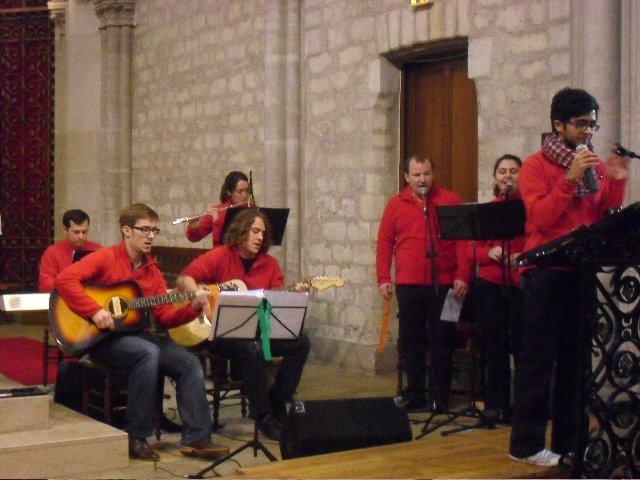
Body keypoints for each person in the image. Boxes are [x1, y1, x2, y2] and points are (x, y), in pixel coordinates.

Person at [54, 203, 230, 462]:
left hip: (137, 335)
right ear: (126, 231)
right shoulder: (105, 257)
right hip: (102, 339)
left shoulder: (152, 272)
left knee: (189, 363)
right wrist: (94, 311)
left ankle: (197, 438)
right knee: (147, 353)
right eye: (144, 230)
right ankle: (136, 435)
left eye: (154, 231)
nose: (150, 236)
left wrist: (193, 307)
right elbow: (64, 280)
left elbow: (166, 317)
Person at [508, 87, 628, 466]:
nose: (588, 132)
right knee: (538, 363)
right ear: (558, 125)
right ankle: (525, 446)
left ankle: (568, 443)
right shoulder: (535, 166)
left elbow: (603, 216)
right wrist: (568, 180)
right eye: (580, 125)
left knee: (576, 364)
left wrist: (618, 179)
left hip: (581, 272)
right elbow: (542, 218)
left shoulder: (592, 165)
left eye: (592, 124)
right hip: (545, 274)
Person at [177, 208, 311, 441]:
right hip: (221, 331)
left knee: (301, 342)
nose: (260, 237)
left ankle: (278, 402)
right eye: (255, 231)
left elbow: (277, 301)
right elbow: (184, 278)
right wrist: (197, 292)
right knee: (252, 349)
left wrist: (295, 295)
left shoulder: (270, 264)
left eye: (263, 233)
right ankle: (264, 416)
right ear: (241, 232)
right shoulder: (221, 256)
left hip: (260, 329)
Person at [376, 155, 471, 411]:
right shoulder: (395, 204)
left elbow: (463, 241)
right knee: (412, 341)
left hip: (445, 284)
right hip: (409, 284)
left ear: (433, 174)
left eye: (426, 174)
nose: (422, 180)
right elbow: (385, 242)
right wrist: (383, 277)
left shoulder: (450, 201)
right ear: (406, 177)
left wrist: (463, 274)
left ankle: (440, 395)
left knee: (443, 340)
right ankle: (415, 392)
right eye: (416, 175)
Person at [468, 154, 525, 425]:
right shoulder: (489, 209)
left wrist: (521, 256)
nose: (507, 176)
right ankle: (495, 404)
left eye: (513, 171)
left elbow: (537, 240)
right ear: (494, 178)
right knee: (494, 346)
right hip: (491, 284)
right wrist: (487, 251)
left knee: (523, 347)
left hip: (520, 284)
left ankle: (522, 405)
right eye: (502, 171)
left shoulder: (528, 208)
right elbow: (474, 248)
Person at [38, 209, 102, 292]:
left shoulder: (98, 250)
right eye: (76, 232)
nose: (81, 237)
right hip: (63, 301)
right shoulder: (52, 253)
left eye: (84, 232)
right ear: (65, 230)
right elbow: (45, 285)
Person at [185, 171, 251, 247]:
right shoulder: (218, 211)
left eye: (247, 191)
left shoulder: (254, 210)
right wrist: (194, 227)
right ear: (229, 192)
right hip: (222, 256)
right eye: (240, 191)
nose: (245, 195)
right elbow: (195, 238)